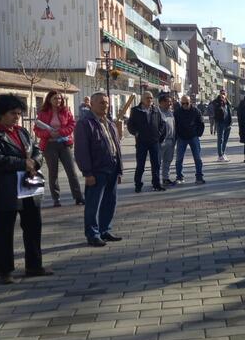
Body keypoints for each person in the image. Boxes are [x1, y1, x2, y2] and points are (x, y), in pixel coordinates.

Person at [0, 94, 54, 284]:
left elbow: (37, 150)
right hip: (6, 189)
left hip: (28, 188)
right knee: (4, 231)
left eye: (18, 113)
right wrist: (23, 163)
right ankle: (5, 270)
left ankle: (34, 265)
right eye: (12, 113)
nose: (16, 117)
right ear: (1, 114)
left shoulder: (22, 131)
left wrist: (35, 163)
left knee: (33, 226)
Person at [74, 93, 123, 247]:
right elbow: (81, 151)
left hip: (112, 168)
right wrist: (87, 173)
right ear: (92, 104)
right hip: (96, 171)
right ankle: (92, 234)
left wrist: (119, 169)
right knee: (93, 204)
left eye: (107, 103)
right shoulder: (85, 123)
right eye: (102, 103)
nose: (105, 106)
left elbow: (116, 146)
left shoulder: (109, 123)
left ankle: (104, 230)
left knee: (110, 202)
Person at [35, 91, 85, 207]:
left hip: (64, 144)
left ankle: (78, 197)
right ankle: (56, 199)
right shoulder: (43, 113)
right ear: (49, 100)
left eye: (59, 99)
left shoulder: (66, 111)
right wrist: (48, 133)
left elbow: (72, 124)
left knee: (71, 171)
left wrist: (61, 132)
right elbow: (37, 130)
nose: (58, 101)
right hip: (49, 145)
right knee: (53, 173)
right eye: (55, 98)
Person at [127, 91, 167, 193]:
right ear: (142, 99)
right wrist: (136, 133)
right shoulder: (135, 110)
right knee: (140, 165)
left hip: (154, 141)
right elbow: (130, 125)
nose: (149, 100)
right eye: (147, 98)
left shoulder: (156, 110)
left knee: (156, 164)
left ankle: (156, 184)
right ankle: (138, 184)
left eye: (151, 98)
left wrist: (159, 134)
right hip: (142, 142)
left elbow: (162, 123)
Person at [173, 94, 205, 184]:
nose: (185, 105)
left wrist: (198, 134)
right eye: (183, 103)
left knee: (197, 158)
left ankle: (199, 177)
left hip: (193, 137)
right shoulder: (177, 112)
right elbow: (174, 125)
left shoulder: (196, 111)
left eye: (186, 103)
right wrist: (176, 136)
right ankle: (179, 177)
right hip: (181, 138)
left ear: (190, 102)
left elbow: (201, 123)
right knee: (179, 159)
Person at [157, 93, 177, 186]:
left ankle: (166, 178)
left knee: (168, 161)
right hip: (161, 141)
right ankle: (156, 180)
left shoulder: (170, 112)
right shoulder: (157, 113)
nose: (170, 104)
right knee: (157, 162)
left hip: (170, 140)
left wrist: (174, 139)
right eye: (168, 102)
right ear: (161, 102)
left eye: (170, 102)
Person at [210, 88, 233, 161]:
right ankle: (220, 155)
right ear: (219, 94)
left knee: (225, 140)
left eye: (224, 93)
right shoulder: (216, 102)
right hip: (220, 123)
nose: (223, 94)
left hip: (228, 123)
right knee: (220, 139)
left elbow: (230, 111)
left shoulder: (228, 102)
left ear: (226, 94)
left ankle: (223, 154)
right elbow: (213, 109)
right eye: (221, 93)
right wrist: (220, 101)